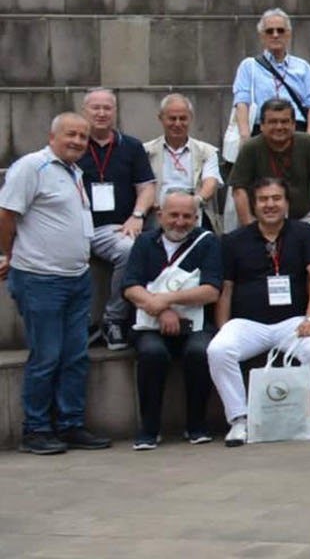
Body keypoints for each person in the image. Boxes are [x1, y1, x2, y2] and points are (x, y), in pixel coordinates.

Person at [1, 112, 112, 455]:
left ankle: (70, 424)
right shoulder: (31, 167)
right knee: (47, 356)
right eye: (71, 135)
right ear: (52, 136)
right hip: (39, 279)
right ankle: (35, 429)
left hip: (76, 279)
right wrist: (8, 254)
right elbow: (5, 214)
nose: (78, 141)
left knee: (75, 355)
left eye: (83, 136)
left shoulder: (76, 172)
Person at [208, 178, 310, 447]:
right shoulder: (234, 240)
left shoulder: (303, 233)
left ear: (287, 203)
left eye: (276, 198)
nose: (270, 205)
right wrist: (223, 327)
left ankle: (309, 411)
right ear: (254, 205)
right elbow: (225, 289)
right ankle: (239, 420)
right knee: (218, 350)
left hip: (294, 322)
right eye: (263, 199)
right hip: (248, 323)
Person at [121, 190, 221, 449]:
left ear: (196, 218)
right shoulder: (144, 242)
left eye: (187, 216)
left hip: (196, 323)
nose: (180, 222)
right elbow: (130, 286)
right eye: (173, 215)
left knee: (200, 352)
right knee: (152, 353)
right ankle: (149, 428)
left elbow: (211, 291)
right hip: (149, 323)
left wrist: (165, 300)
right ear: (159, 215)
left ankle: (196, 425)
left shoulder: (207, 243)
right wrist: (161, 309)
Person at [75, 87, 156, 350]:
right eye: (95, 108)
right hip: (73, 228)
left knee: (129, 248)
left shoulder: (131, 146)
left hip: (112, 228)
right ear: (84, 111)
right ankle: (79, 324)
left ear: (115, 112)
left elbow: (146, 187)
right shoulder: (74, 144)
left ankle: (113, 319)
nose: (101, 113)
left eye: (107, 108)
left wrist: (137, 216)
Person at [228, 99, 310, 226]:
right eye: (272, 122)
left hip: (302, 219)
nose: (279, 127)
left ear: (294, 124)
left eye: (284, 122)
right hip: (260, 221)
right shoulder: (251, 147)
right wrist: (249, 227)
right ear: (262, 125)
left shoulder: (307, 143)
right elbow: (239, 190)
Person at [231, 8, 310, 141]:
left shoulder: (302, 67)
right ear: (262, 36)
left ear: (288, 35)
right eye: (269, 31)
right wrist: (245, 136)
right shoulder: (249, 66)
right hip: (261, 131)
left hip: (297, 131)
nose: (275, 35)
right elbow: (241, 102)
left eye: (280, 30)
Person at [146, 93, 223, 230]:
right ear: (161, 118)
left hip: (194, 211)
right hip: (158, 213)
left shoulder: (207, 151)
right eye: (172, 118)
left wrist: (194, 202)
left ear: (191, 118)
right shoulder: (146, 151)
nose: (177, 124)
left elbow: (210, 183)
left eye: (183, 119)